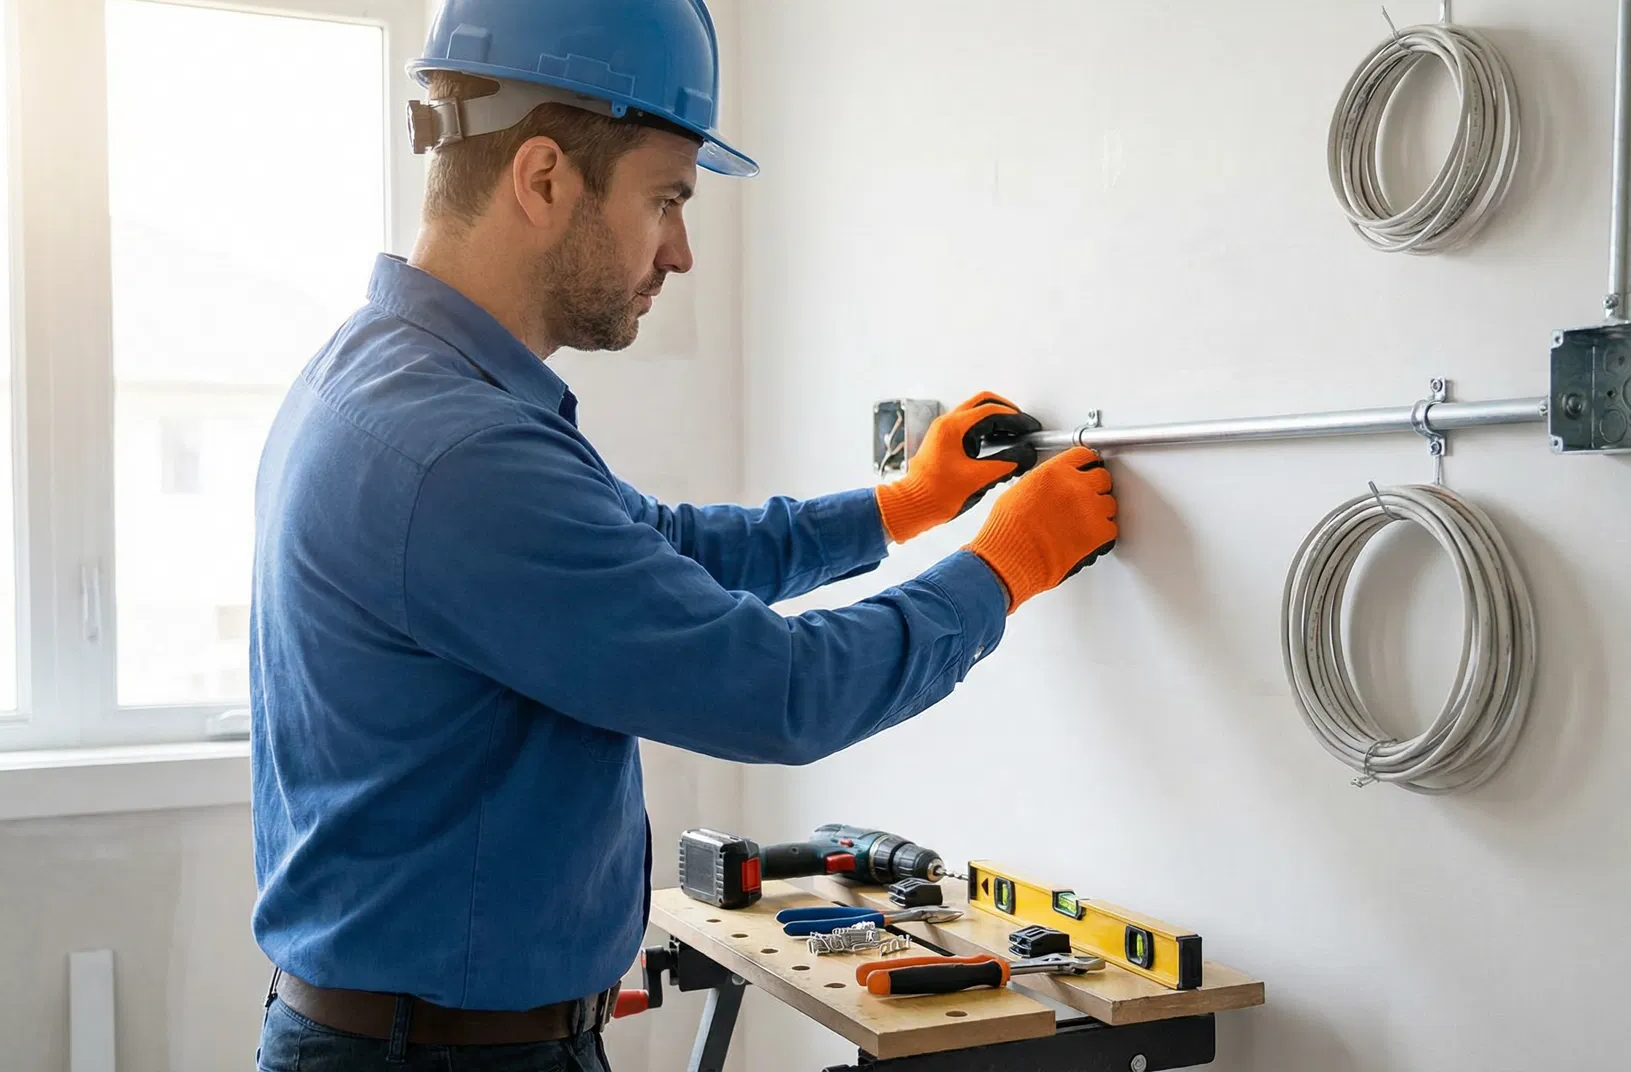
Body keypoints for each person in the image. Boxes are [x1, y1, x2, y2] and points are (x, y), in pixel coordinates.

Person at [248, 1, 1118, 1068]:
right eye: (665, 200)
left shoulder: (395, 379)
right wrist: (1003, 569)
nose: (682, 251)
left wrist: (898, 509)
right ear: (543, 178)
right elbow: (780, 690)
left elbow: (644, 547)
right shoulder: (459, 452)